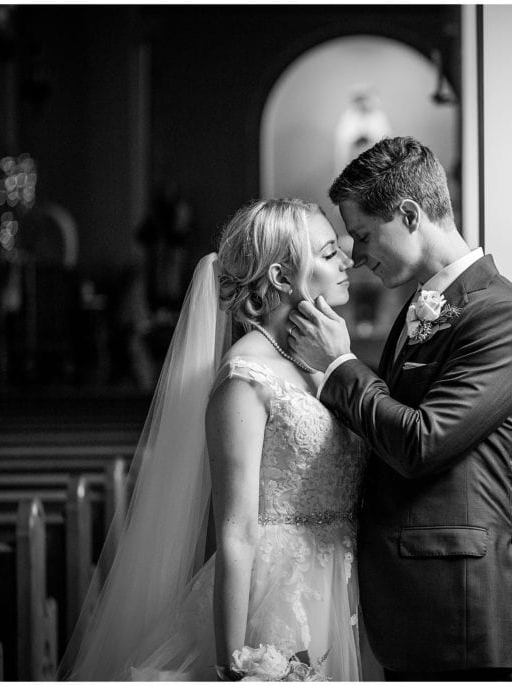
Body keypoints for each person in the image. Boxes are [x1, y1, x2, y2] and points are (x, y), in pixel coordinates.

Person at [59, 198, 365, 680]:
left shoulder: (322, 357)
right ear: (283, 278)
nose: (347, 260)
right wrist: (236, 661)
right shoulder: (245, 377)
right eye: (329, 253)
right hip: (277, 601)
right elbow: (237, 530)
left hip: (342, 584)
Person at [288, 136, 512, 681]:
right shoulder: (423, 305)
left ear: (408, 214)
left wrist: (339, 367)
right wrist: (489, 484)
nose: (355, 257)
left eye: (361, 235)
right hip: (416, 608)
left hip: (460, 614)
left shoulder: (503, 316)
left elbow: (420, 441)